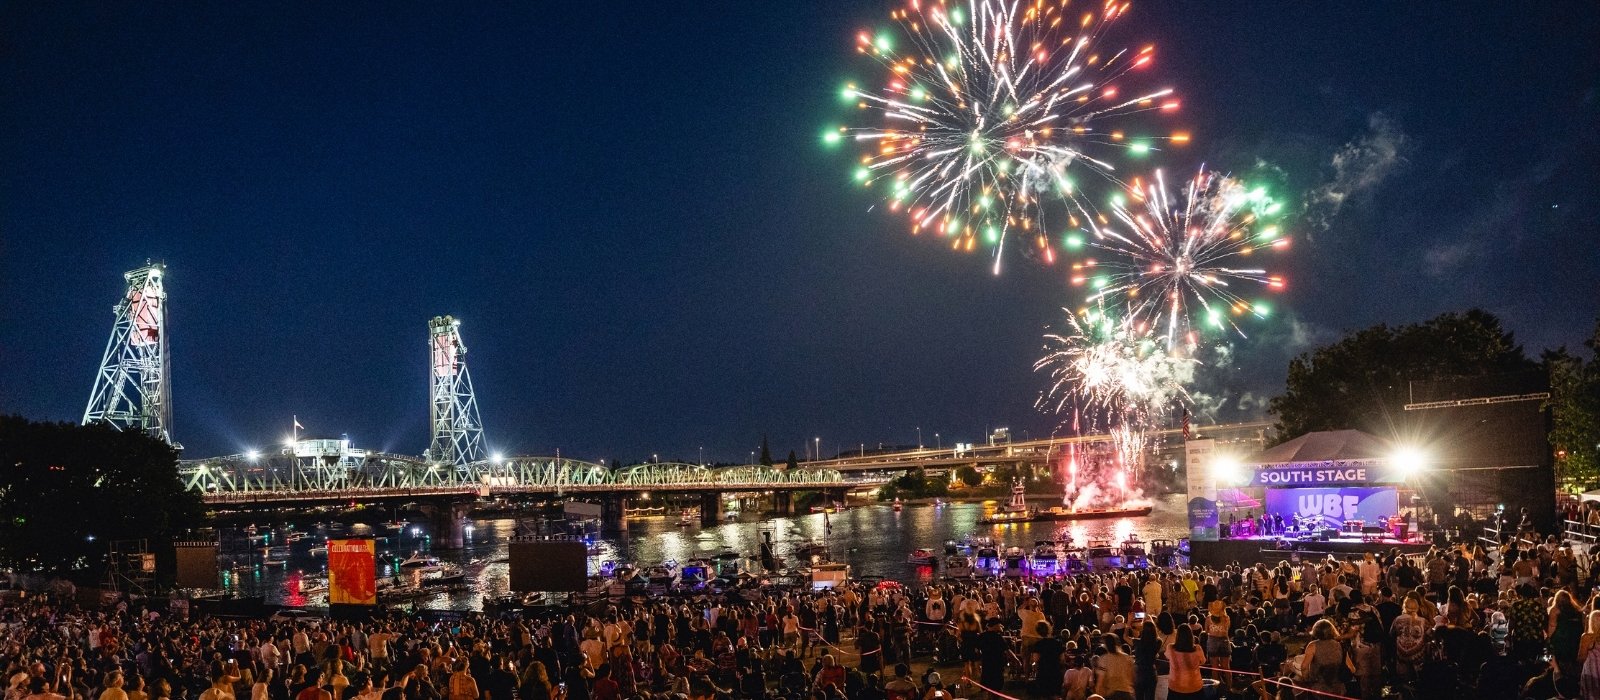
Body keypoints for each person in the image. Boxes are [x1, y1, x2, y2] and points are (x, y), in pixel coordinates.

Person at [1296, 619, 1345, 699]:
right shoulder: (1338, 645)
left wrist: (1306, 680)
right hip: (1337, 687)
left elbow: (1304, 667)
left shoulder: (1312, 645)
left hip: (1318, 687)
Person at [1165, 626, 1205, 700]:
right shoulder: (1197, 648)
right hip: (1195, 687)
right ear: (1191, 636)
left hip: (1175, 687)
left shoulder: (1170, 648)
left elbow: (1167, 657)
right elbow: (1203, 661)